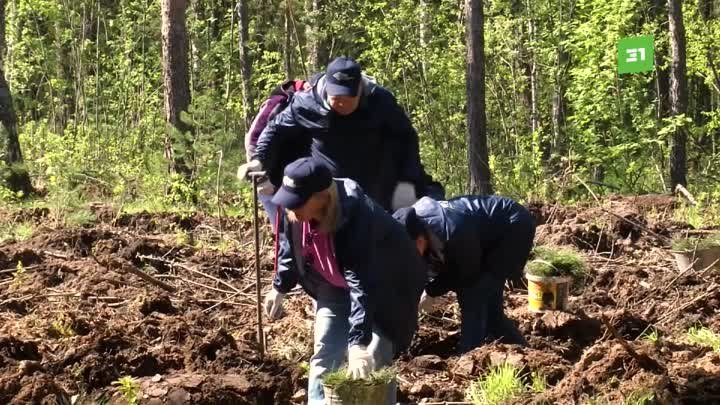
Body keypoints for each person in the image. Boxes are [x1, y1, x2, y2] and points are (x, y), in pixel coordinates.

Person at [264, 157, 426, 405]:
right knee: (326, 350)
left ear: (321, 197)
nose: (290, 208)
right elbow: (290, 247)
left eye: (297, 202)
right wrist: (280, 286)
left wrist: (358, 344)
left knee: (375, 356)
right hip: (332, 282)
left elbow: (363, 282)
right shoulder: (293, 212)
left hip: (387, 285)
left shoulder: (357, 216)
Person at [238, 56, 444, 212]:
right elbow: (275, 129)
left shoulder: (380, 102)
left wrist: (407, 181)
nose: (342, 103)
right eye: (336, 97)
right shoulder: (307, 103)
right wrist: (259, 160)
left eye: (348, 97)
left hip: (375, 190)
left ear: (359, 90)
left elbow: (406, 137)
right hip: (328, 191)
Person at [392, 195, 535, 353]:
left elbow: (465, 272)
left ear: (419, 239)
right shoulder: (419, 226)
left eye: (410, 250)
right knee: (492, 313)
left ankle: (469, 355)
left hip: (512, 228)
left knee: (474, 296)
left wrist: (431, 292)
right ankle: (527, 353)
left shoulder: (452, 230)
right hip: (480, 240)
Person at [242, 79, 311, 228]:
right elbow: (253, 139)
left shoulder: (311, 104)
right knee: (283, 229)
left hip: (294, 175)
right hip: (270, 175)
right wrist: (262, 178)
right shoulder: (278, 103)